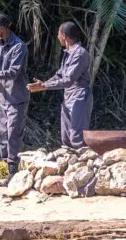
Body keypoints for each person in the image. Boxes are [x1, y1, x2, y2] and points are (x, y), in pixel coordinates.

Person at [28, 21, 92, 149]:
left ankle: (82, 166)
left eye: (58, 34)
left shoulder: (79, 53)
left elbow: (68, 80)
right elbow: (59, 75)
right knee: (66, 138)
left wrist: (45, 86)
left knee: (77, 138)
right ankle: (69, 167)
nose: (57, 37)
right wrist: (44, 83)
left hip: (79, 96)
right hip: (68, 96)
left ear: (63, 35)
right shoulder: (68, 53)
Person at [0, 14, 30, 168]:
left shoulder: (18, 46)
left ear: (2, 28)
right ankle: (8, 168)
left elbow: (13, 73)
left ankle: (13, 171)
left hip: (16, 98)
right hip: (3, 98)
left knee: (13, 134)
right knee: (2, 135)